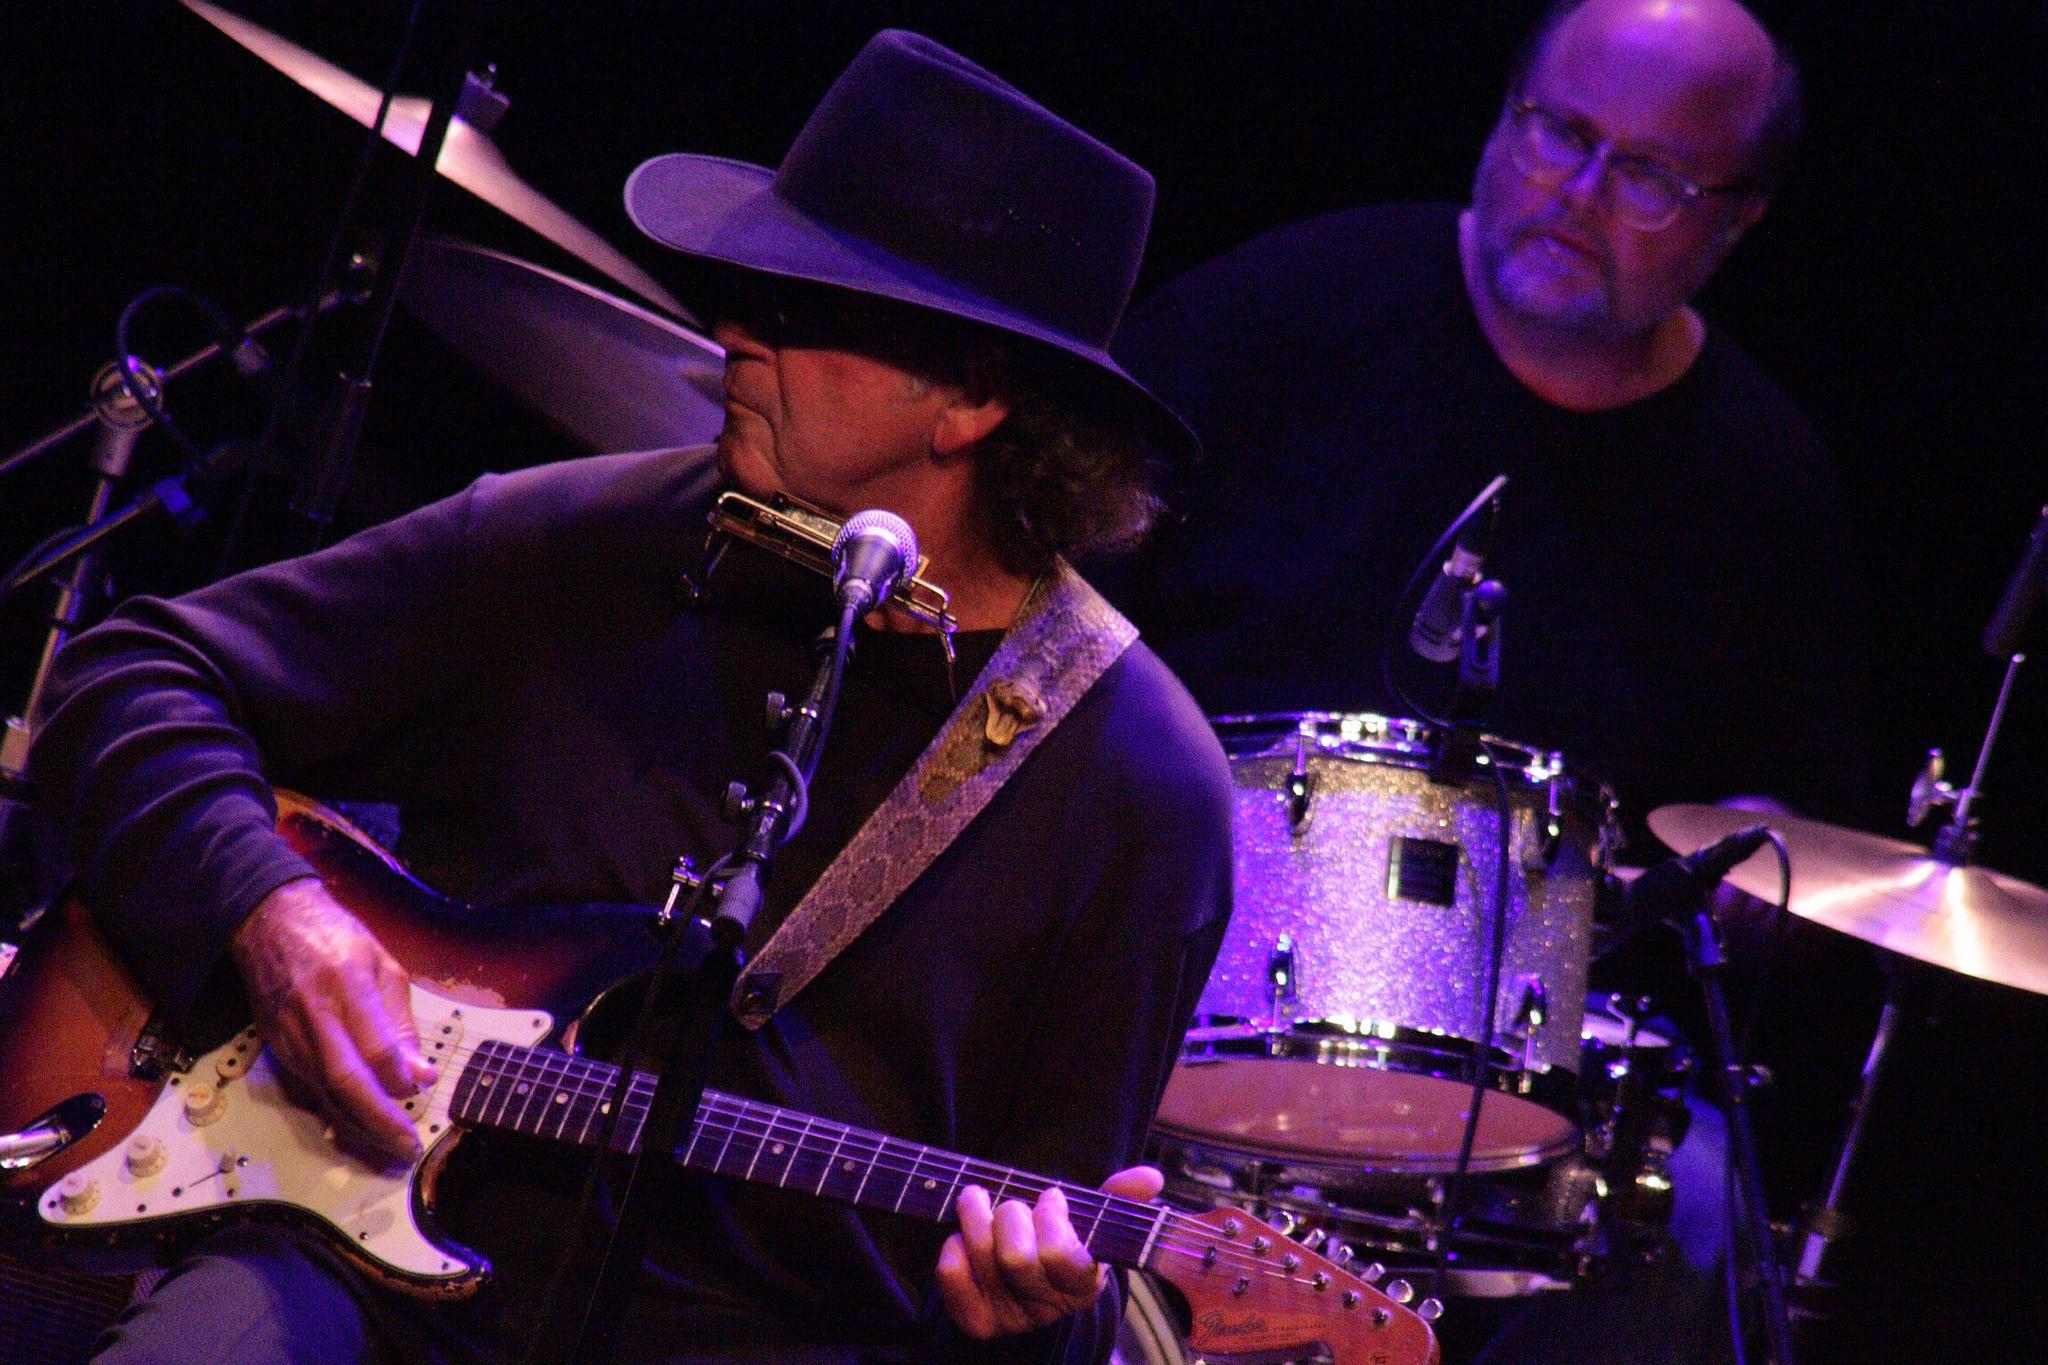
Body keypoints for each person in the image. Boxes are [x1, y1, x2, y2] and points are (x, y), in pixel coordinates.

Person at [30, 31, 1233, 1365]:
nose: (728, 332)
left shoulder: (1141, 787)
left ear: (969, 400)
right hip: (347, 1272)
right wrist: (272, 912)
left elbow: (1048, 1287)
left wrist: (1015, 1316)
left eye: (796, 310)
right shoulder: (576, 543)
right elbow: (131, 671)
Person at [1098, 1, 1873, 1360]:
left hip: (1531, 1086)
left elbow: (1795, 829)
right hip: (1162, 971)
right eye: (1559, 132)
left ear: (1736, 221)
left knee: (1698, 1208)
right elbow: (1054, 602)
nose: (1576, 194)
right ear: (1504, 111)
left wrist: (1708, 889)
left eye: (1649, 174)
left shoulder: (1764, 482)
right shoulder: (1282, 312)